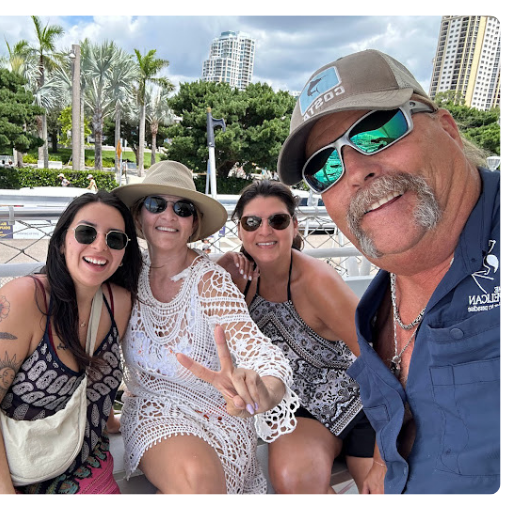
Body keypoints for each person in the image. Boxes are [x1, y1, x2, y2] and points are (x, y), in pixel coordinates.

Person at [277, 49, 501, 495]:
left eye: (378, 131)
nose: (356, 170)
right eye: (325, 166)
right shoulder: (377, 306)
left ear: (447, 128)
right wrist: (386, 454)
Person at [111, 160, 299, 495]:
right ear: (139, 215)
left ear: (193, 223)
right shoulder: (125, 273)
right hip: (154, 409)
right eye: (157, 205)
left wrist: (263, 392)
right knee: (198, 479)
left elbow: (256, 348)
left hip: (222, 416)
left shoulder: (210, 282)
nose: (169, 216)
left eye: (182, 209)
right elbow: (67, 279)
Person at [0, 191, 142, 495]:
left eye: (115, 239)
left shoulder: (118, 303)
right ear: (63, 239)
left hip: (78, 456)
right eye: (86, 232)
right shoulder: (24, 300)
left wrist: (111, 420)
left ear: (123, 254)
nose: (100, 245)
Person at [217, 179, 380, 495]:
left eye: (276, 221)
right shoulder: (238, 278)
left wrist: (386, 449)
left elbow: (374, 357)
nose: (264, 231)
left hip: (359, 404)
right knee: (294, 480)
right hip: (294, 407)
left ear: (294, 226)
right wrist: (218, 267)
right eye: (252, 222)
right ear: (240, 230)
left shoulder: (316, 280)